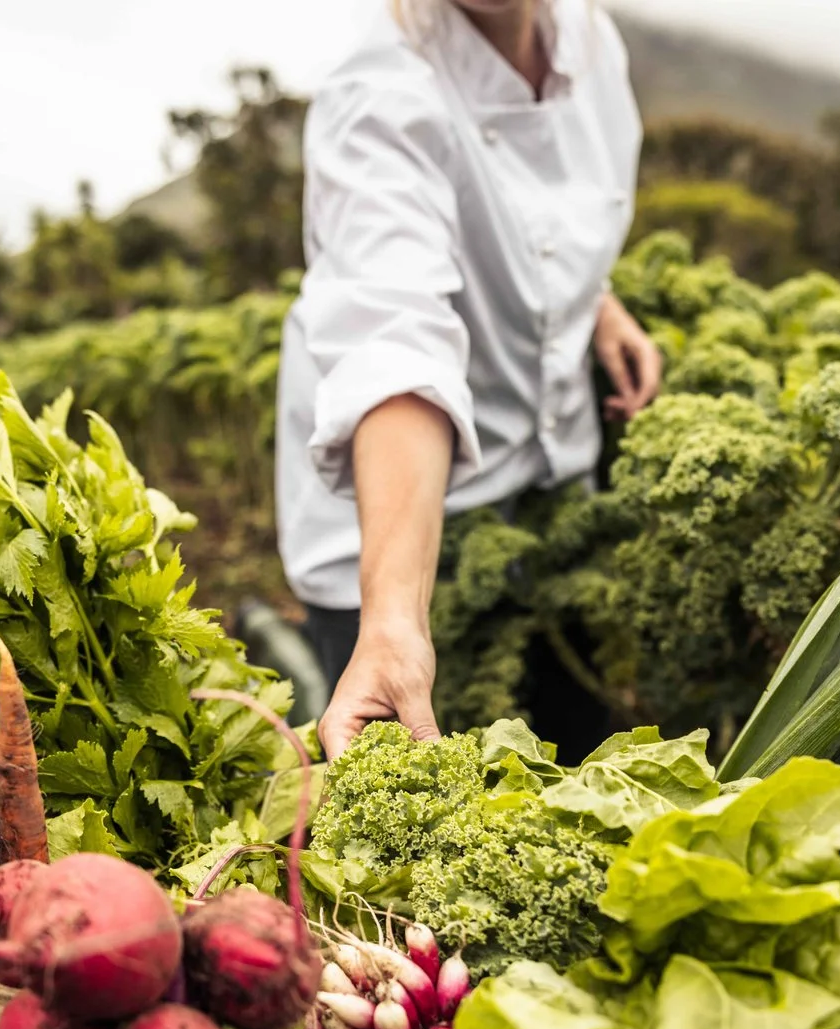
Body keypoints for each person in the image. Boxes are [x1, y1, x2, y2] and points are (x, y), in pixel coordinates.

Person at [277, 0, 662, 760]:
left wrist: (596, 301)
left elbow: (546, 214)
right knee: (426, 819)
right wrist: (392, 620)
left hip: (544, 477)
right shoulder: (379, 90)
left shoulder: (588, 41)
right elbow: (396, 337)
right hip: (394, 512)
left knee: (575, 742)